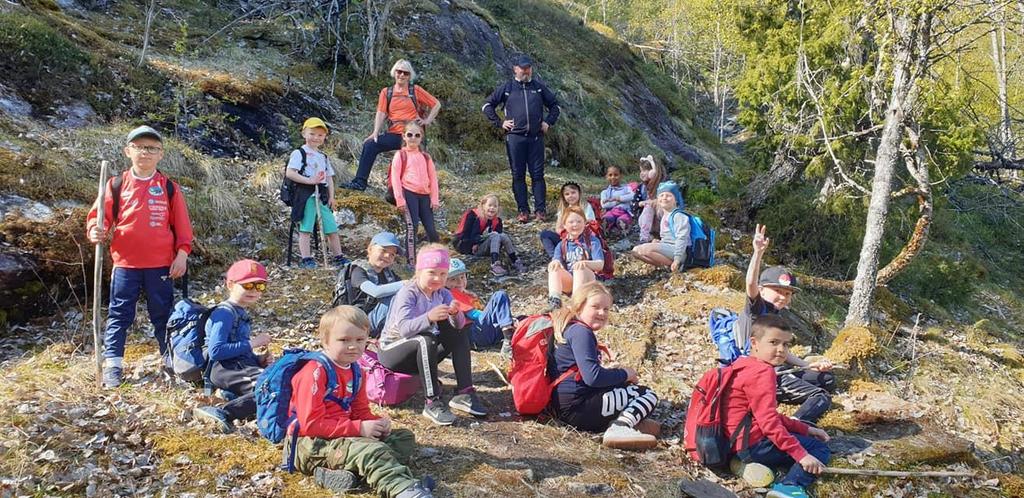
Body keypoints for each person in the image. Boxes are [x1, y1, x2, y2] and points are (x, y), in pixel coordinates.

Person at [286, 305, 435, 498]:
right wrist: (360, 429)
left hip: (343, 435)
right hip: (309, 444)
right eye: (344, 340)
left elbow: (360, 410)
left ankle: (344, 474)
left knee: (404, 438)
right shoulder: (315, 372)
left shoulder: (356, 371)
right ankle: (404, 489)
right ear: (325, 341)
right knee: (372, 450)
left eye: (360, 340)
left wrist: (375, 423)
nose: (353, 346)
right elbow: (311, 425)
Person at [86, 125, 194, 389]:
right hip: (125, 264)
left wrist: (182, 255)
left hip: (161, 265)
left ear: (161, 154)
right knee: (119, 314)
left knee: (163, 315)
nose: (145, 152)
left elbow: (182, 227)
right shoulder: (115, 185)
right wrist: (95, 231)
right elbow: (98, 219)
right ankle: (113, 366)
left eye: (152, 148)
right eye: (140, 147)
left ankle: (170, 362)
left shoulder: (169, 187)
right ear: (128, 151)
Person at [733, 225, 836, 424]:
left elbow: (783, 353)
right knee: (821, 397)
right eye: (778, 291)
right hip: (761, 375)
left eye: (787, 293)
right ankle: (795, 425)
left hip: (777, 369)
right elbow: (750, 284)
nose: (783, 296)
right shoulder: (756, 309)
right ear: (763, 290)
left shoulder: (777, 316)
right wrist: (757, 253)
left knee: (827, 379)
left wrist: (809, 365)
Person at [723, 315, 832, 498]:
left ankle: (743, 463)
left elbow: (761, 415)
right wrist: (801, 455)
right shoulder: (763, 373)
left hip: (735, 441)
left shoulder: (743, 364)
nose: (781, 350)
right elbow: (769, 424)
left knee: (806, 436)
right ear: (754, 342)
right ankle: (789, 486)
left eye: (786, 344)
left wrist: (805, 429)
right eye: (773, 342)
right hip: (754, 444)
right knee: (818, 448)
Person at [378, 245, 487, 425]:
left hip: (423, 354)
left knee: (459, 333)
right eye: (432, 273)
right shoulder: (408, 292)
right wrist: (429, 317)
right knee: (425, 339)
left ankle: (464, 392)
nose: (438, 278)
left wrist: (455, 314)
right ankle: (432, 401)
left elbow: (459, 326)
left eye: (443, 274)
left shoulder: (443, 293)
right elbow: (405, 329)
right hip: (393, 352)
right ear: (419, 271)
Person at [548, 282, 660, 450]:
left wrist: (617, 376)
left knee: (624, 386)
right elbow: (593, 378)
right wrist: (625, 373)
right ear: (579, 306)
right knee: (647, 394)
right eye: (595, 307)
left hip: (565, 406)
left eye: (606, 309)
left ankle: (626, 422)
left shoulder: (569, 328)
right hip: (577, 409)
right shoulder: (581, 332)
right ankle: (620, 428)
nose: (602, 313)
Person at [193, 259, 273, 433]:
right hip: (224, 368)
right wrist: (253, 343)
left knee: (278, 380)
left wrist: (259, 360)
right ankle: (222, 412)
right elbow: (216, 351)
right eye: (248, 285)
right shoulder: (224, 313)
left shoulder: (239, 311)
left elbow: (240, 350)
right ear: (230, 284)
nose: (254, 291)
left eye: (259, 286)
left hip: (240, 366)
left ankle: (234, 396)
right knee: (270, 389)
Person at [482, 54, 560, 223]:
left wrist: (548, 122)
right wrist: (499, 122)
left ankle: (540, 211)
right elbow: (487, 105)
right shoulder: (508, 87)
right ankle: (523, 211)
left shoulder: (538, 88)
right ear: (515, 69)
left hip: (536, 138)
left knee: (538, 175)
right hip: (515, 138)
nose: (525, 71)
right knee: (518, 175)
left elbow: (555, 106)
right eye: (522, 68)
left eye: (528, 68)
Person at [341, 60, 440, 192]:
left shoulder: (415, 90)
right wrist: (375, 132)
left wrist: (427, 120)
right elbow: (381, 112)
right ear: (394, 73)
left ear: (409, 76)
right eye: (399, 71)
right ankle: (360, 182)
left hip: (411, 135)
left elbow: (436, 104)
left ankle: (401, 189)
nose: (402, 75)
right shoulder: (386, 92)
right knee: (370, 144)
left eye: (406, 73)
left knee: (405, 158)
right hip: (394, 133)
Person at [286, 117, 349, 269]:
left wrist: (332, 197)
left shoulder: (323, 156)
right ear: (304, 134)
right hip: (306, 195)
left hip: (321, 195)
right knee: (306, 227)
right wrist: (309, 181)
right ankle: (306, 259)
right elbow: (290, 173)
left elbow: (329, 178)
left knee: (331, 227)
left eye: (320, 135)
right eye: (312, 134)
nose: (316, 138)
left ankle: (338, 256)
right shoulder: (299, 153)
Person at [390, 122, 440, 266]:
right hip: (409, 193)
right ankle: (411, 262)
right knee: (412, 228)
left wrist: (434, 199)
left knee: (431, 230)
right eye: (410, 135)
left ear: (421, 137)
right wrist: (400, 200)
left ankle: (437, 259)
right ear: (404, 136)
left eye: (417, 135)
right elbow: (395, 178)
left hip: (425, 196)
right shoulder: (401, 155)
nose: (413, 138)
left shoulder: (426, 157)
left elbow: (433, 178)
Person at [446, 258, 515, 354]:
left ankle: (510, 333)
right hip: (473, 333)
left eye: (462, 277)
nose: (460, 282)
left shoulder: (465, 294)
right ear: (444, 282)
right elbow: (473, 314)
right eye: (453, 279)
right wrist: (491, 316)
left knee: (520, 319)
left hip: (481, 333)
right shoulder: (451, 294)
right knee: (499, 296)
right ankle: (508, 339)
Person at [342, 232, 404, 338]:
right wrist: (406, 283)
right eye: (383, 250)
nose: (387, 256)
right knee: (393, 297)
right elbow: (375, 291)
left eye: (392, 254)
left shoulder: (390, 275)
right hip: (357, 322)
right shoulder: (358, 271)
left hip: (377, 318)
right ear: (370, 249)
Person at [452, 194, 526, 276]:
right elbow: (471, 236)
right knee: (495, 235)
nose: (492, 208)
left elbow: (500, 237)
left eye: (495, 206)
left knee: (502, 235)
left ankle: (515, 260)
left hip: (488, 245)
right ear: (483, 206)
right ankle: (495, 264)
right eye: (489, 205)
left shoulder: (497, 221)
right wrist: (475, 244)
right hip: (471, 247)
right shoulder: (477, 218)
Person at [546, 206, 603, 311]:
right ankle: (554, 300)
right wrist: (555, 263)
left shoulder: (592, 241)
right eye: (571, 222)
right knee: (554, 268)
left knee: (579, 268)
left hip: (589, 280)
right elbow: (557, 260)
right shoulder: (562, 244)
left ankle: (575, 302)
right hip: (570, 281)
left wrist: (585, 263)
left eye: (579, 221)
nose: (575, 225)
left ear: (585, 223)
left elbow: (600, 265)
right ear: (564, 225)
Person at [631, 181, 690, 272]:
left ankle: (676, 265)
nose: (664, 198)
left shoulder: (679, 216)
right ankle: (667, 266)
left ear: (676, 199)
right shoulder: (665, 216)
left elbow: (682, 238)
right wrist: (659, 242)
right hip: (669, 249)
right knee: (635, 251)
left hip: (680, 252)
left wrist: (677, 259)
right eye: (661, 195)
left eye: (669, 195)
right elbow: (667, 238)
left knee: (646, 250)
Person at [538, 182, 597, 258]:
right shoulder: (563, 210)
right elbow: (558, 229)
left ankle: (580, 255)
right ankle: (556, 258)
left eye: (573, 193)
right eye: (567, 194)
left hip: (583, 239)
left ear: (579, 193)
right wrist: (567, 234)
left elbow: (591, 224)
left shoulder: (586, 207)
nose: (570, 196)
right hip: (566, 238)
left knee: (591, 243)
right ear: (564, 197)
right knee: (545, 234)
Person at [635, 155, 666, 244]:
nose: (642, 173)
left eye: (645, 170)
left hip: (662, 221)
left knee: (654, 205)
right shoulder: (642, 187)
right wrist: (642, 203)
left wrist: (656, 202)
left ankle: (665, 236)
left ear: (654, 171)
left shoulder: (664, 186)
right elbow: (634, 204)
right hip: (648, 223)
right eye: (641, 171)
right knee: (648, 206)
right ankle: (644, 237)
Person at [599, 165, 634, 235]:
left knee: (622, 220)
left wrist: (618, 198)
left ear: (621, 176)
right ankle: (606, 228)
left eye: (616, 175)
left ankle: (624, 228)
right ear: (606, 177)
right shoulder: (604, 192)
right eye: (610, 175)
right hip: (611, 212)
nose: (613, 177)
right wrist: (617, 202)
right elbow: (604, 205)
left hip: (624, 211)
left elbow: (632, 196)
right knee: (607, 218)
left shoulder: (627, 188)